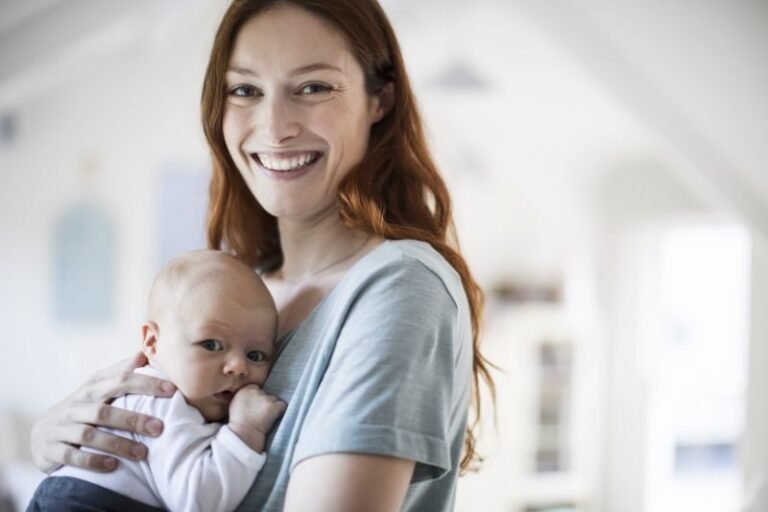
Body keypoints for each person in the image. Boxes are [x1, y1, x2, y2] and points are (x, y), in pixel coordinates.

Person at [30, 0, 496, 510]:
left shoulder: (399, 286)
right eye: (245, 90)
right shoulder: (244, 288)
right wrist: (53, 441)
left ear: (379, 99)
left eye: (314, 87)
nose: (275, 127)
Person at [28, 250, 285, 511]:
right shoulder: (163, 403)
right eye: (211, 344)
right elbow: (197, 502)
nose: (239, 366)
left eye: (255, 355)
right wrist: (245, 430)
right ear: (152, 342)